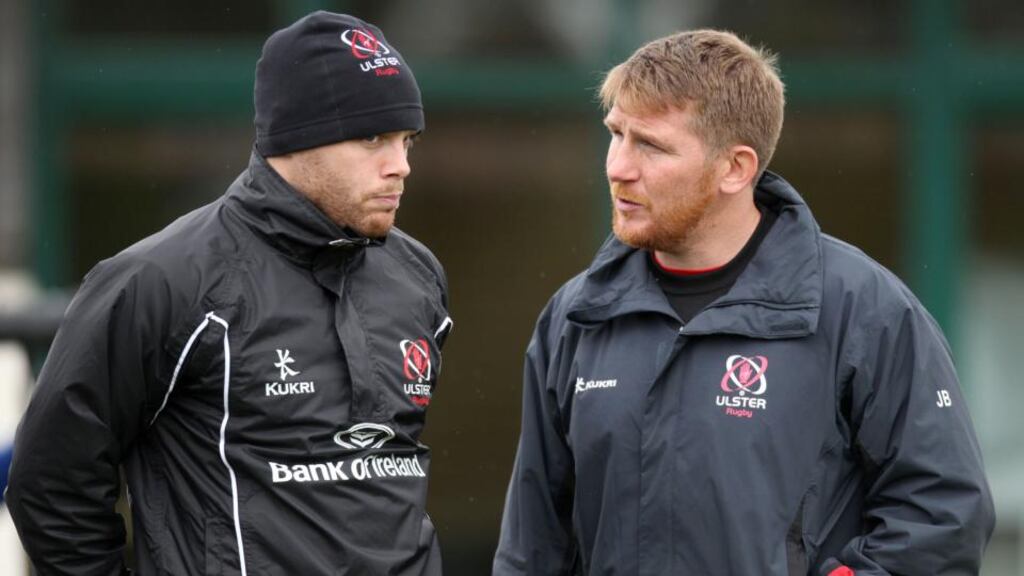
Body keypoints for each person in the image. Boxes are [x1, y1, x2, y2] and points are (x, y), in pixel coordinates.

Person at [493, 30, 994, 575]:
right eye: (616, 134)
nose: (618, 167)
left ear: (736, 168)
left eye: (651, 145)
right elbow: (532, 548)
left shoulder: (864, 310)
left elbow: (943, 522)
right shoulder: (577, 317)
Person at [7, 11, 453, 575]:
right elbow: (49, 484)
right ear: (298, 138)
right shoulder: (161, 282)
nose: (401, 166)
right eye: (373, 138)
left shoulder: (417, 277)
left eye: (407, 139)